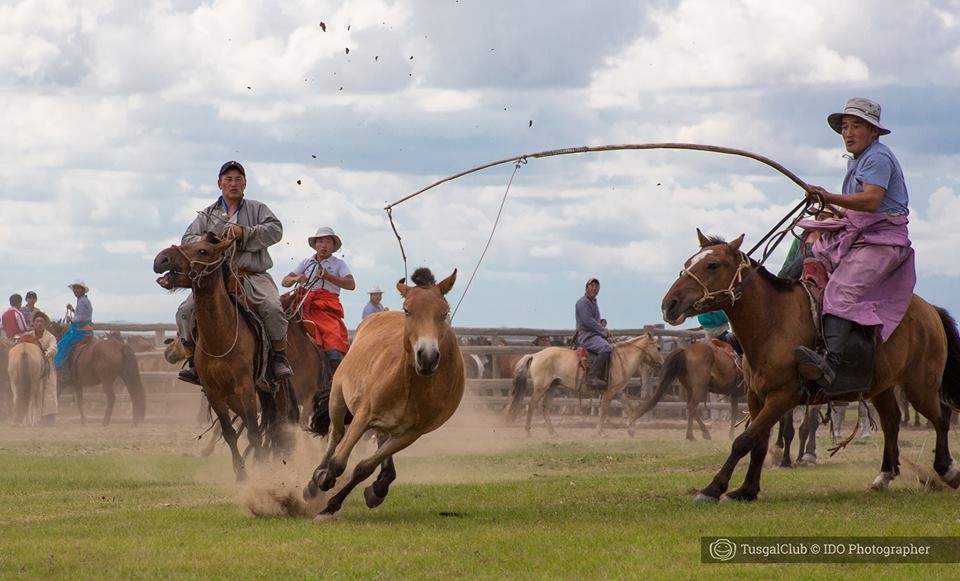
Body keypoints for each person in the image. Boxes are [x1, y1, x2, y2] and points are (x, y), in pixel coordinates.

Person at [794, 98, 915, 397]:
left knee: (839, 292)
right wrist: (826, 210)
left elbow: (872, 200)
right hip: (862, 237)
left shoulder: (877, 159)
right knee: (804, 267)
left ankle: (829, 364)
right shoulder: (858, 161)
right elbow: (857, 210)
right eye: (845, 127)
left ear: (873, 131)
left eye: (856, 126)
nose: (848, 133)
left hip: (881, 243)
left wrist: (829, 197)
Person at [176, 161, 292, 385]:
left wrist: (244, 232)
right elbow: (186, 240)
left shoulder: (258, 209)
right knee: (185, 310)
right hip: (216, 278)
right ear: (219, 184)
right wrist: (205, 241)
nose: (233, 183)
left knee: (272, 307)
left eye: (238, 179)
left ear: (245, 184)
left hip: (253, 275)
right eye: (228, 179)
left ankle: (279, 357)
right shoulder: (207, 215)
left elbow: (276, 230)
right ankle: (192, 361)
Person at [282, 226, 355, 376]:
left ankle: (335, 380)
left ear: (333, 246)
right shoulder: (306, 262)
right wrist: (296, 278)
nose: (324, 245)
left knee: (334, 341)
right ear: (315, 244)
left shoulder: (339, 264)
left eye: (328, 242)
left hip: (326, 309)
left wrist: (328, 277)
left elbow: (351, 284)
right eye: (321, 241)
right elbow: (285, 281)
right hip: (303, 305)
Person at [54, 281, 94, 387]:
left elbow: (82, 317)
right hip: (86, 328)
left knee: (62, 345)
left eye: (78, 288)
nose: (75, 291)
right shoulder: (83, 300)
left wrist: (71, 318)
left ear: (83, 290)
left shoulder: (82, 301)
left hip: (80, 330)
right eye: (74, 289)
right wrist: (72, 309)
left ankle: (61, 369)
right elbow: (82, 313)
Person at [575, 277, 612, 389]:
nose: (594, 288)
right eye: (592, 286)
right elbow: (588, 321)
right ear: (587, 288)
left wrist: (601, 323)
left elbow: (594, 321)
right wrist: (604, 331)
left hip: (593, 334)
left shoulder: (593, 302)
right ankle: (591, 377)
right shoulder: (582, 302)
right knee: (606, 348)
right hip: (587, 335)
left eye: (596, 286)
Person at [30, 310, 58, 426]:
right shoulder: (29, 336)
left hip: (47, 368)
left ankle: (49, 418)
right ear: (34, 323)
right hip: (33, 369)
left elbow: (54, 348)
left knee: (49, 391)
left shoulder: (50, 337)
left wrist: (47, 354)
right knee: (34, 392)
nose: (39, 323)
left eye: (42, 321)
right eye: (37, 321)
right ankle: (34, 418)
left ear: (45, 324)